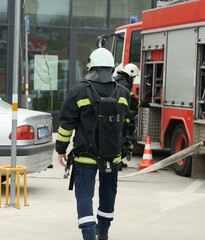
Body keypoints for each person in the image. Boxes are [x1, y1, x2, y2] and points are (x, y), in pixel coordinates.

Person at [55, 48, 130, 240]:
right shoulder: (123, 92)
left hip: (85, 157)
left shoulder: (78, 92)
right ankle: (103, 231)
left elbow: (66, 126)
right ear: (112, 68)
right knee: (108, 194)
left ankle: (89, 235)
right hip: (111, 157)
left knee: (84, 196)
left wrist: (60, 150)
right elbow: (125, 124)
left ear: (91, 67)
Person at [114, 63, 148, 169]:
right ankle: (117, 163)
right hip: (119, 117)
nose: (133, 81)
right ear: (130, 74)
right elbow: (132, 102)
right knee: (121, 140)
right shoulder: (125, 84)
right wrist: (143, 103)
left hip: (113, 115)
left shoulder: (116, 80)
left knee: (117, 139)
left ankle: (117, 161)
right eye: (133, 78)